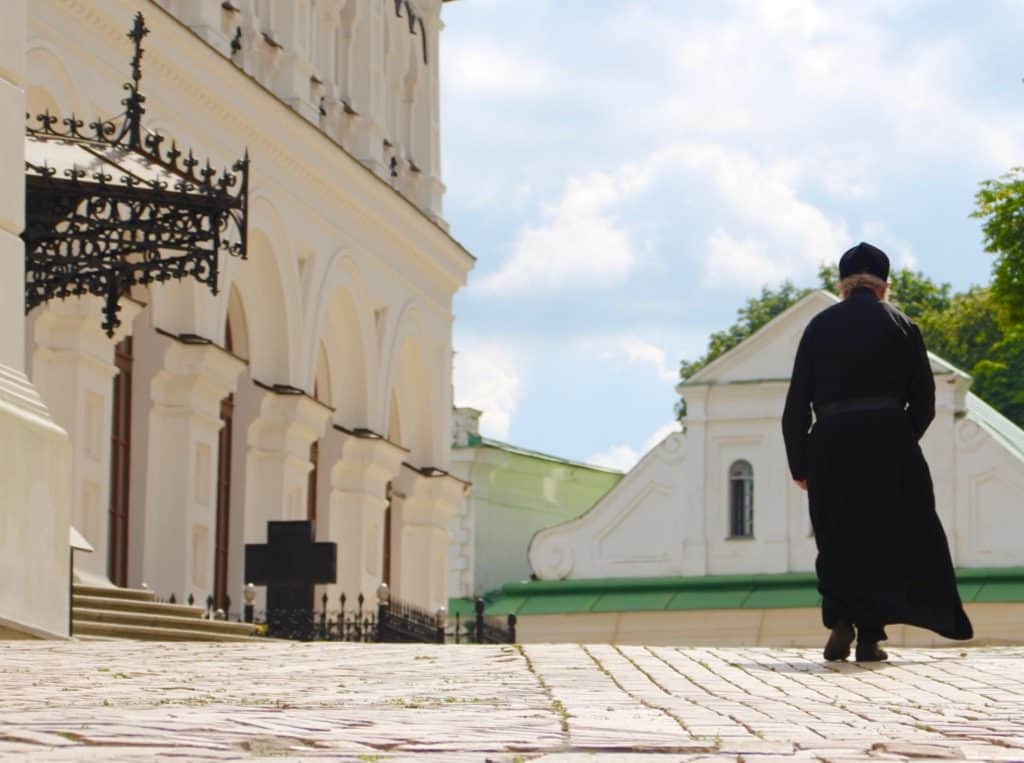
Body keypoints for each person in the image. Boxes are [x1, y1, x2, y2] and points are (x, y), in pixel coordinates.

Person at [782, 242, 973, 662]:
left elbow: (797, 401)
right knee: (885, 536)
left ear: (843, 286)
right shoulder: (903, 325)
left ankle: (839, 619)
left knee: (837, 534)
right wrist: (901, 439)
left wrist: (800, 461)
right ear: (885, 287)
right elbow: (924, 399)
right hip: (890, 442)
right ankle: (870, 637)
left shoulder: (819, 326)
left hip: (831, 441)